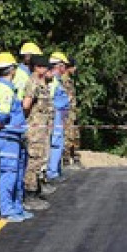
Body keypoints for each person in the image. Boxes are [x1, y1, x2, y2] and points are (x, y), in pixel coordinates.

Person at [0, 52, 29, 222]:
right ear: (12, 69)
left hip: (13, 136)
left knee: (16, 172)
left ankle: (16, 207)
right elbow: (3, 115)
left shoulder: (2, 87)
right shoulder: (6, 90)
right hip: (8, 137)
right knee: (10, 173)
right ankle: (7, 209)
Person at [22, 55, 54, 207]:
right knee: (33, 161)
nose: (47, 70)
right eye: (44, 67)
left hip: (42, 129)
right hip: (35, 129)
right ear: (37, 68)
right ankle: (30, 194)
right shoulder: (33, 82)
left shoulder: (42, 83)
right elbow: (26, 104)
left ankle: (36, 190)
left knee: (40, 159)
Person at [46, 52, 71, 182]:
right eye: (64, 66)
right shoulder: (53, 80)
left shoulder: (58, 79)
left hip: (59, 116)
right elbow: (50, 99)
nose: (65, 69)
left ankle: (55, 170)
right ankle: (52, 173)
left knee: (58, 143)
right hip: (55, 115)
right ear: (59, 65)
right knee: (55, 143)